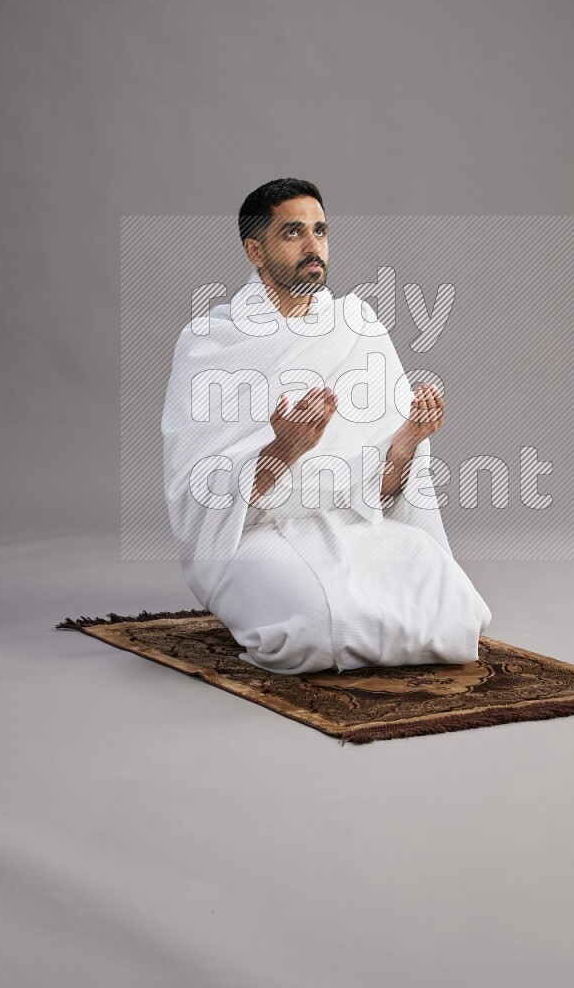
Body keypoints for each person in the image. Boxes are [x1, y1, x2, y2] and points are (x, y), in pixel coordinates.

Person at [161, 177, 492, 674]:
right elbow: (198, 495)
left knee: (457, 613)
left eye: (320, 230)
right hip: (253, 535)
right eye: (293, 233)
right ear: (255, 249)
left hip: (350, 522)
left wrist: (405, 444)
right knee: (312, 629)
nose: (313, 246)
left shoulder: (357, 326)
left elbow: (382, 489)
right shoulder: (211, 341)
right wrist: (283, 450)